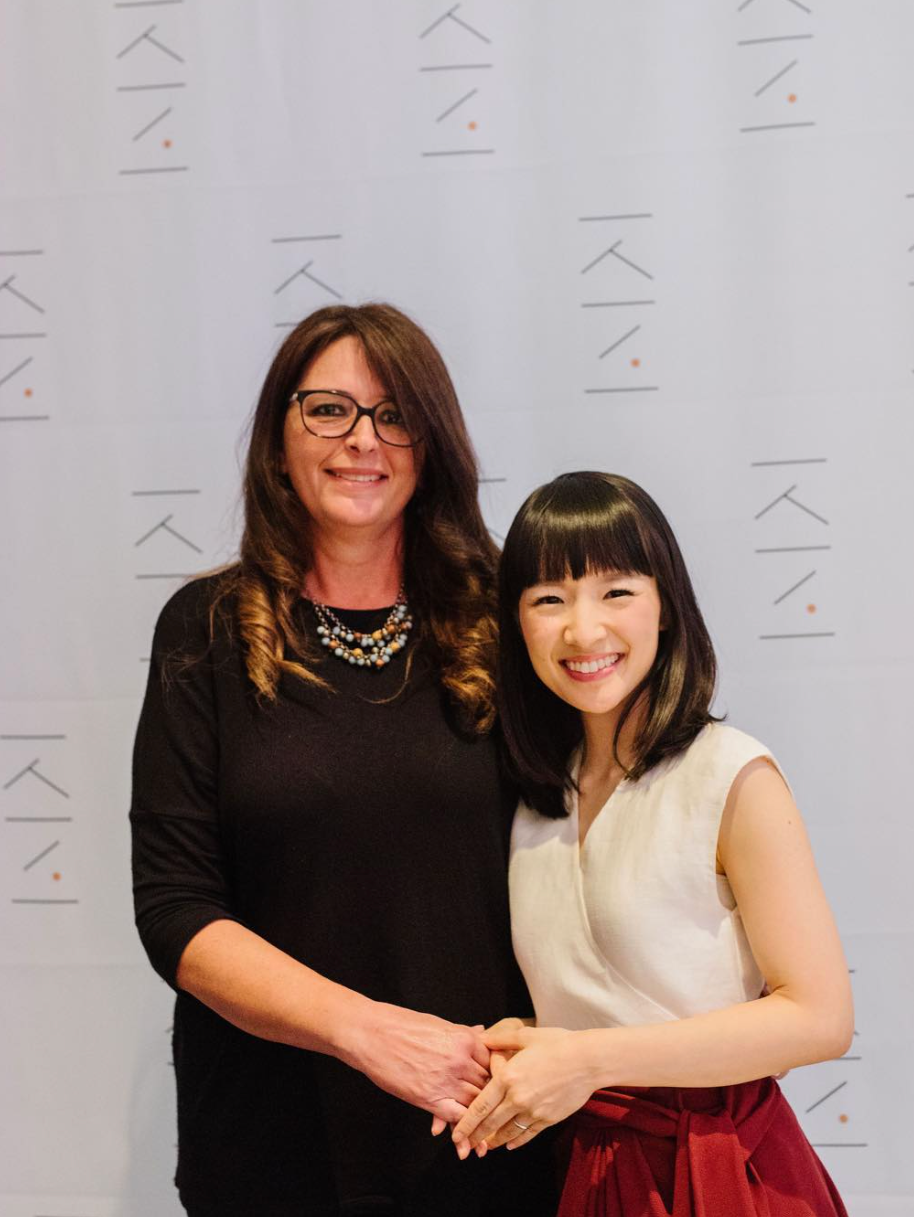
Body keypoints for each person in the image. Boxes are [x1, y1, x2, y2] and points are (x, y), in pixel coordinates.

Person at [130, 303, 556, 1217]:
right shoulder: (203, 631)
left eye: (394, 413)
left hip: (485, 1126)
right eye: (328, 409)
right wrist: (366, 1033)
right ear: (278, 436)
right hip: (273, 1142)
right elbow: (174, 909)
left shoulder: (509, 618)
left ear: (431, 441)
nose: (363, 439)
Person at [451, 471, 853, 1215]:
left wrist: (586, 1057)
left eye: (616, 591)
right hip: (590, 1169)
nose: (582, 630)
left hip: (723, 1166)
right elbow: (626, 994)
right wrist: (538, 1043)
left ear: (664, 605)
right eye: (548, 599)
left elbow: (819, 1016)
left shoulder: (731, 773)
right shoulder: (540, 797)